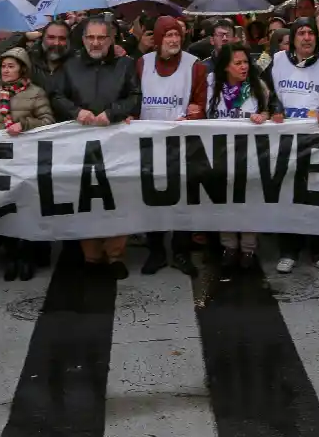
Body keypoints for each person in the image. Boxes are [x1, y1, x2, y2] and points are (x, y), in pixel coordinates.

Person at [53, 17, 141, 278]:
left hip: (117, 145)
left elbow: (135, 96)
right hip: (80, 145)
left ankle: (115, 255)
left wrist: (113, 113)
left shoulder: (125, 65)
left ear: (111, 39)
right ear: (83, 40)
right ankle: (91, 256)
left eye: (101, 37)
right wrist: (76, 112)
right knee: (85, 198)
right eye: (90, 37)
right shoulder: (70, 66)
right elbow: (57, 96)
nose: (95, 42)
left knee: (118, 197)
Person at [0, 47, 55, 281]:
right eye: (3, 66)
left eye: (11, 66)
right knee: (5, 208)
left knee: (27, 207)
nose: (6, 70)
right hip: (0, 161)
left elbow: (48, 120)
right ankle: (11, 256)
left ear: (22, 69)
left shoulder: (36, 93)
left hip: (26, 159)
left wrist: (25, 124)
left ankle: (27, 256)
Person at [265, 17, 319, 274]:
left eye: (311, 33)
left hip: (317, 138)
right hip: (286, 139)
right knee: (288, 194)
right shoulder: (277, 60)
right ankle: (289, 250)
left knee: (317, 195)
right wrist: (274, 107)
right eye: (301, 33)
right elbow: (266, 90)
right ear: (293, 38)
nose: (307, 38)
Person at [135, 15, 207, 276]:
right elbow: (133, 97)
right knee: (152, 197)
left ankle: (181, 251)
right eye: (168, 35)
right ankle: (156, 250)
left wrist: (194, 115)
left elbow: (201, 104)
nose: (174, 40)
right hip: (149, 143)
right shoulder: (142, 64)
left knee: (183, 198)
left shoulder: (195, 66)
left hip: (182, 144)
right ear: (158, 38)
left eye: (177, 35)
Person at [29, 20, 72, 99]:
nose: (56, 43)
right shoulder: (30, 60)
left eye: (62, 38)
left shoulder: (77, 65)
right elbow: (4, 49)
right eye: (51, 37)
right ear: (42, 38)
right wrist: (24, 36)